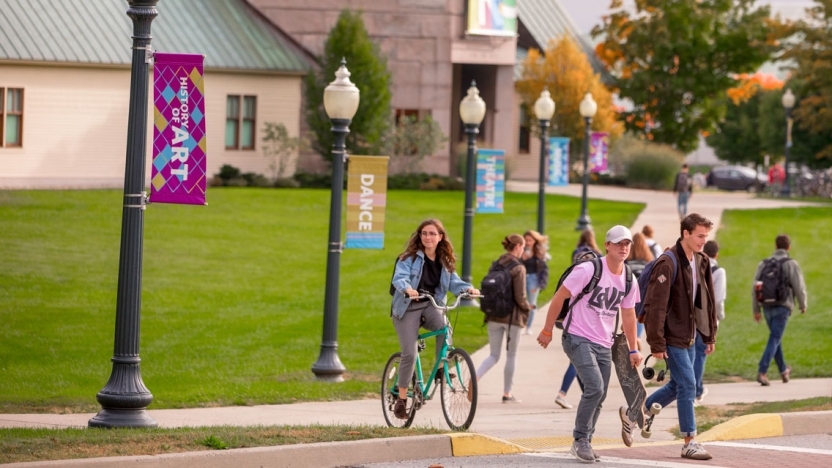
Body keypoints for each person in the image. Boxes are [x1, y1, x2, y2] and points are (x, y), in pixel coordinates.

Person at [538, 225, 642, 463]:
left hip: (604, 342)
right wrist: (546, 330)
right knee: (594, 387)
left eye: (627, 244)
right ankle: (580, 440)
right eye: (618, 243)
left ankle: (586, 441)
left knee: (600, 394)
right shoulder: (589, 270)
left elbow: (628, 315)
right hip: (576, 336)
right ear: (607, 245)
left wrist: (633, 348)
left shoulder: (628, 278)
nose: (623, 248)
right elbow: (559, 297)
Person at [640, 213, 717, 460]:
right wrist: (656, 344)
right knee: (689, 385)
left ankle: (639, 410)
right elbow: (656, 306)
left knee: (678, 384)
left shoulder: (702, 261)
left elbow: (707, 302)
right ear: (686, 233)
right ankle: (689, 441)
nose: (704, 241)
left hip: (690, 335)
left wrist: (709, 335)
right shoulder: (668, 262)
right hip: (671, 336)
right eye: (700, 236)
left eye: (706, 236)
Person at [390, 219, 479, 419]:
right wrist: (407, 289)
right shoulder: (408, 258)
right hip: (407, 307)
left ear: (440, 237)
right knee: (410, 354)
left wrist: (468, 289)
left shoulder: (444, 261)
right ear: (420, 236)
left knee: (444, 327)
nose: (428, 237)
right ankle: (402, 399)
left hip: (430, 305)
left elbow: (455, 283)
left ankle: (440, 368)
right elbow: (399, 277)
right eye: (424, 233)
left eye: (432, 233)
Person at [475, 234, 533, 403]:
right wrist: (527, 308)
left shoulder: (496, 264)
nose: (523, 250)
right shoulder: (518, 268)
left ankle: (475, 377)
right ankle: (507, 393)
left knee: (493, 355)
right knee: (512, 354)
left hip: (493, 315)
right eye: (523, 247)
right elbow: (520, 296)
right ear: (517, 247)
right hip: (512, 319)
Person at [751, 234, 807, 386]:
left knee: (775, 339)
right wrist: (803, 305)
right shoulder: (791, 264)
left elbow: (755, 286)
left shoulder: (763, 263)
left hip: (767, 307)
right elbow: (799, 287)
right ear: (788, 247)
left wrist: (756, 309)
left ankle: (783, 371)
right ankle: (762, 372)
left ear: (775, 246)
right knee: (775, 338)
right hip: (783, 306)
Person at [556, 229, 602, 410]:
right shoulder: (597, 256)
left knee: (580, 360)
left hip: (572, 311)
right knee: (579, 360)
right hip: (585, 317)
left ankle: (588, 394)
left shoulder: (576, 254)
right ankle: (562, 393)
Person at [695, 240, 726, 405]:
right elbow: (719, 299)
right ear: (716, 254)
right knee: (701, 353)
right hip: (707, 318)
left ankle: (692, 388)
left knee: (693, 353)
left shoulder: (696, 266)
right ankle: (696, 390)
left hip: (693, 315)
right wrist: (719, 318)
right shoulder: (719, 272)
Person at [626, 232, 655, 342]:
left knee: (628, 311)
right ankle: (637, 336)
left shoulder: (628, 259)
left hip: (630, 288)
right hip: (643, 289)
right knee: (641, 312)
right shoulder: (648, 259)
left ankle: (630, 333)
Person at [521, 230, 549, 335]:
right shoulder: (520, 250)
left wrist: (541, 284)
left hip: (534, 279)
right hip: (521, 278)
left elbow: (544, 270)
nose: (528, 242)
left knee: (532, 304)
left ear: (535, 240)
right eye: (526, 240)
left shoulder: (539, 252)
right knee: (521, 302)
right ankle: (522, 324)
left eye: (530, 240)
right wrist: (521, 257)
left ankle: (528, 327)